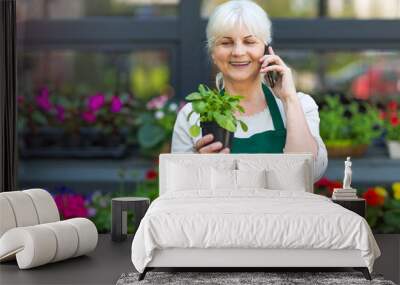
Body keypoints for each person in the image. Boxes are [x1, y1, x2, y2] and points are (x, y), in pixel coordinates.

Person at [171, 0, 328, 181]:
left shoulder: (299, 104)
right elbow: (178, 189)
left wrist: (289, 99)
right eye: (226, 42)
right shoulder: (193, 115)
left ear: (266, 50)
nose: (238, 51)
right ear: (213, 54)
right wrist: (201, 168)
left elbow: (311, 173)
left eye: (249, 41)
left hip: (285, 209)